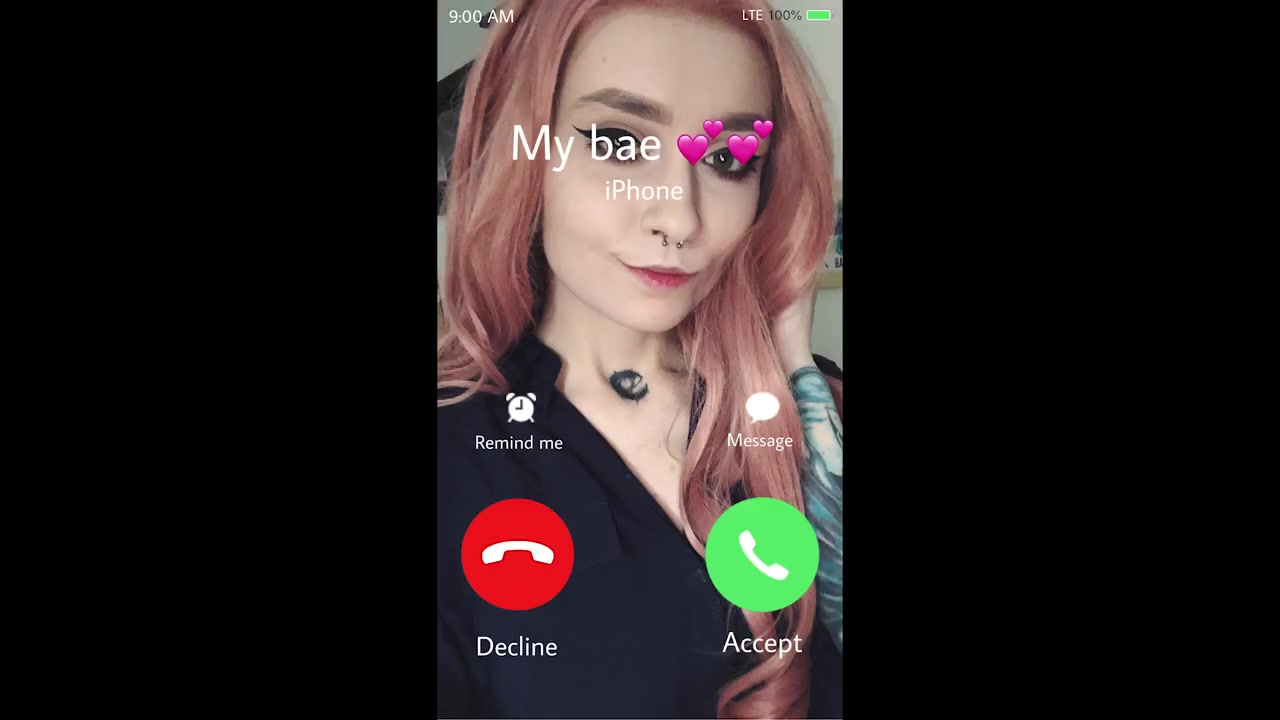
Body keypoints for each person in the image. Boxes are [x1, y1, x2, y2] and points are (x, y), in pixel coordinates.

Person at [437, 1, 844, 717]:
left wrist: (790, 364)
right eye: (618, 143)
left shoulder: (816, 405)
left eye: (727, 159)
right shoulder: (455, 453)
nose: (679, 218)